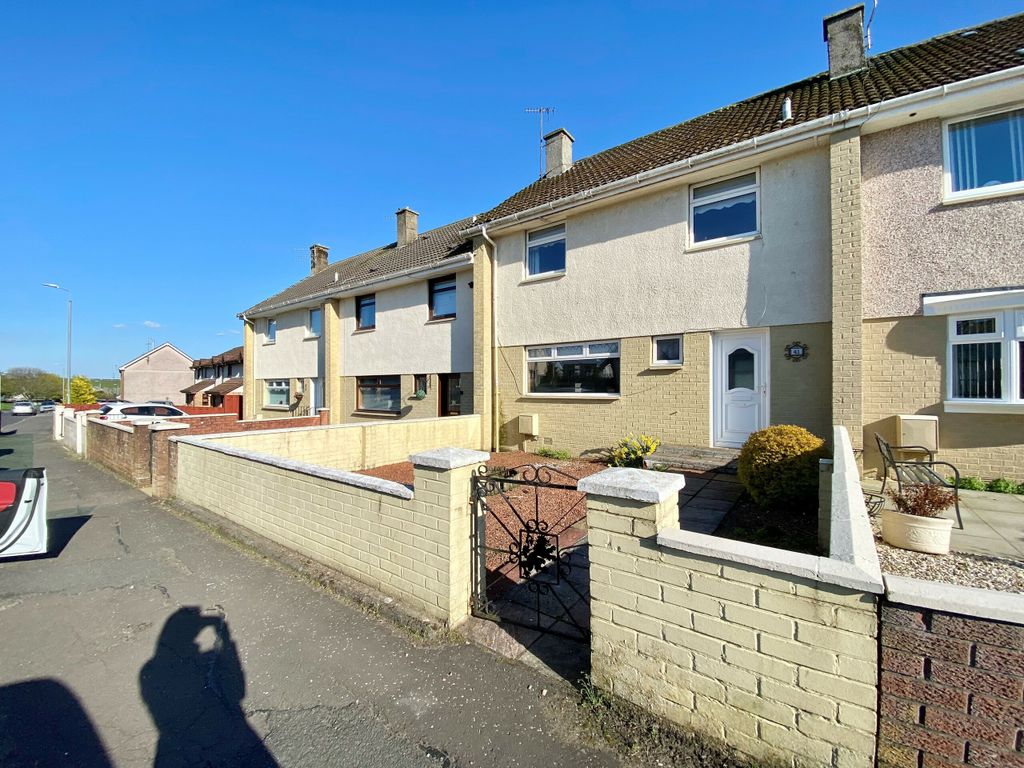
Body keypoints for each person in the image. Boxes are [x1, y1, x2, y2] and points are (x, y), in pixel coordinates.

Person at [139, 606, 277, 767]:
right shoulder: (156, 670)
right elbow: (237, 690)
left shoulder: (149, 670)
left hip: (178, 746)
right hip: (220, 737)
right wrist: (226, 640)